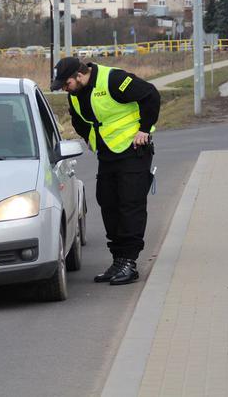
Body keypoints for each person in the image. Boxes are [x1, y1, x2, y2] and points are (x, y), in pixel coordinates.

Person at [51, 57, 160, 285]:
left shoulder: (113, 79)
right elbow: (79, 120)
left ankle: (129, 262)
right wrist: (89, 139)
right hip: (107, 153)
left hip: (133, 150)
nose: (64, 88)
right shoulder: (75, 94)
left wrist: (144, 129)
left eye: (66, 83)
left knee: (130, 204)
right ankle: (118, 260)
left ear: (79, 76)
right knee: (108, 203)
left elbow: (150, 95)